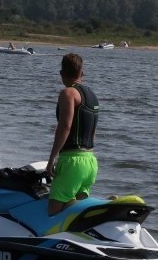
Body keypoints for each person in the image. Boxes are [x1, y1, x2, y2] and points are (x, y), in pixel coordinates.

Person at [45, 53, 100, 216]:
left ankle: (100, 206)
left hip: (72, 162)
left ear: (62, 73)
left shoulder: (67, 93)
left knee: (53, 211)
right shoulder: (92, 96)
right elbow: (93, 132)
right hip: (90, 162)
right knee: (78, 211)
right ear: (81, 73)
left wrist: (52, 159)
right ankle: (93, 207)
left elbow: (65, 127)